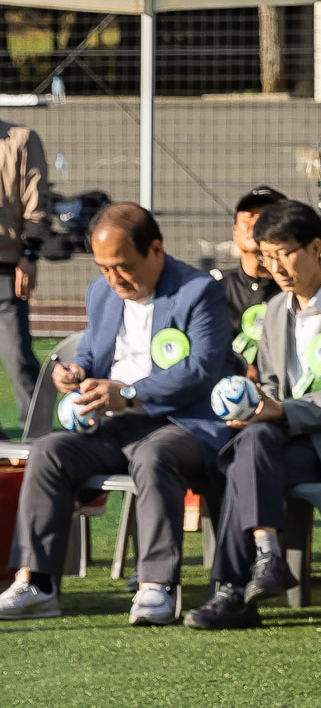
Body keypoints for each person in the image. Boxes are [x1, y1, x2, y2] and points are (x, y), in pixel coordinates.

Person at [0, 204, 230, 625]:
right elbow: (91, 351)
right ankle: (38, 583)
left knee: (154, 455)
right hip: (115, 424)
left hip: (183, 423)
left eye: (122, 266)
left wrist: (127, 393)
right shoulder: (101, 292)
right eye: (104, 267)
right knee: (49, 452)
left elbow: (202, 369)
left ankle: (155, 587)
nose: (113, 278)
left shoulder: (199, 291)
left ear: (156, 250)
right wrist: (75, 373)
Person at [184, 201, 321, 629]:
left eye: (283, 253)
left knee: (250, 454)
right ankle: (266, 559)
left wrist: (280, 410)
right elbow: (275, 385)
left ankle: (231, 591)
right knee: (252, 441)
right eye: (265, 255)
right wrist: (256, 405)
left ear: (315, 248)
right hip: (284, 442)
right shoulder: (276, 310)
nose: (273, 266)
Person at [0, 111, 52, 437]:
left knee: (18, 357)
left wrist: (29, 255)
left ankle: (38, 438)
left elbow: (36, 200)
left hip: (6, 266)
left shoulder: (20, 139)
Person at [219, 187, 284, 336]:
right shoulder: (215, 289)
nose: (254, 225)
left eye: (264, 217)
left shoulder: (297, 292)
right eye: (248, 216)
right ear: (235, 231)